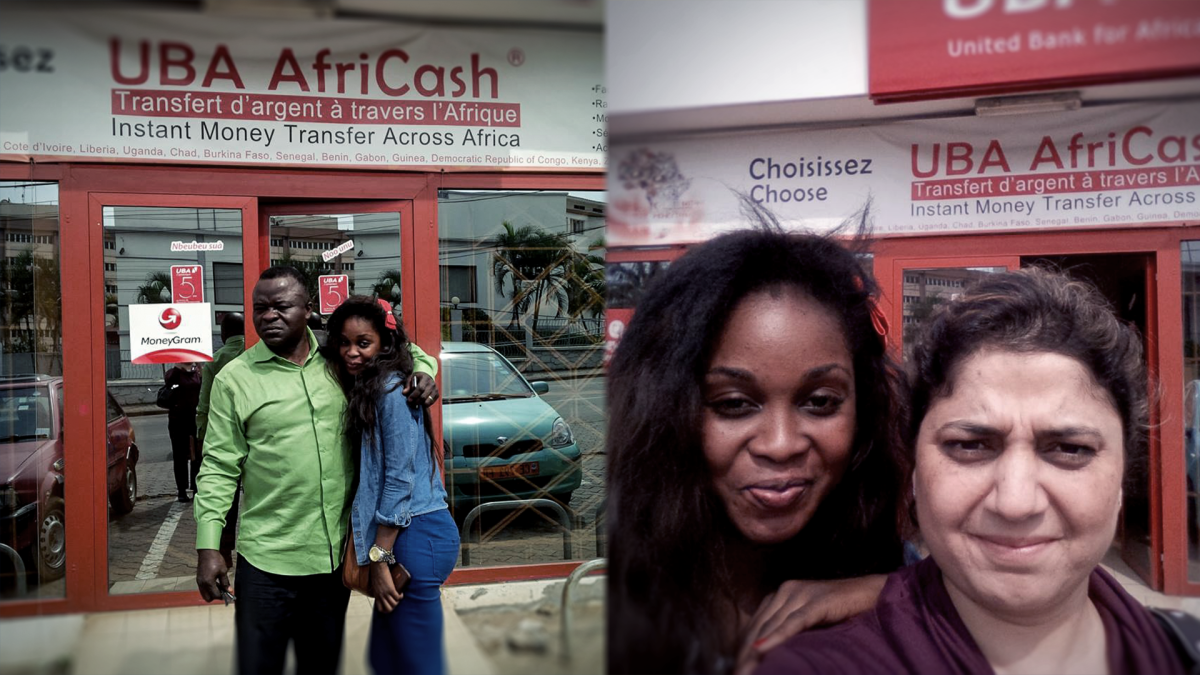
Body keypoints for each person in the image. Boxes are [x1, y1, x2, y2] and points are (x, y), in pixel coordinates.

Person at [757, 267, 1186, 674]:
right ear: (914, 470)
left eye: (1070, 449)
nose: (1015, 503)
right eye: (970, 445)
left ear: (1122, 478)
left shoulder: (1182, 648)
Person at [607, 222, 910, 675]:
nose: (781, 444)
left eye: (821, 402)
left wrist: (896, 595)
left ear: (862, 409)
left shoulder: (903, 577)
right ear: (664, 409)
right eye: (734, 405)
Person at [194, 266, 440, 675]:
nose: (268, 315)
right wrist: (209, 547)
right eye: (260, 308)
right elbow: (218, 468)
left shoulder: (339, 362)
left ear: (308, 310)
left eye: (281, 306)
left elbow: (395, 349)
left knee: (321, 665)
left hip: (330, 562)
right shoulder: (234, 380)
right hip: (267, 560)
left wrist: (426, 370)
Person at [323, 297, 460, 675]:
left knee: (419, 663)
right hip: (407, 534)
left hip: (414, 535)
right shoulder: (371, 387)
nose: (352, 352)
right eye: (345, 343)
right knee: (385, 659)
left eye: (363, 343)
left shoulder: (391, 390)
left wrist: (380, 560)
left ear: (384, 344)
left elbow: (400, 477)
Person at [196, 311, 246, 567]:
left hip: (224, 433)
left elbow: (204, 404)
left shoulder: (215, 360)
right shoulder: (252, 354)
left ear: (224, 333)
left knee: (227, 494)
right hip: (254, 435)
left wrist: (202, 436)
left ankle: (225, 550)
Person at [164, 361, 202, 502]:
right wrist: (178, 368)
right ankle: (181, 490)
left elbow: (203, 389)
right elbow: (169, 383)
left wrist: (200, 369)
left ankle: (196, 487)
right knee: (180, 456)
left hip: (195, 419)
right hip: (178, 420)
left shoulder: (197, 371)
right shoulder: (173, 373)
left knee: (197, 455)